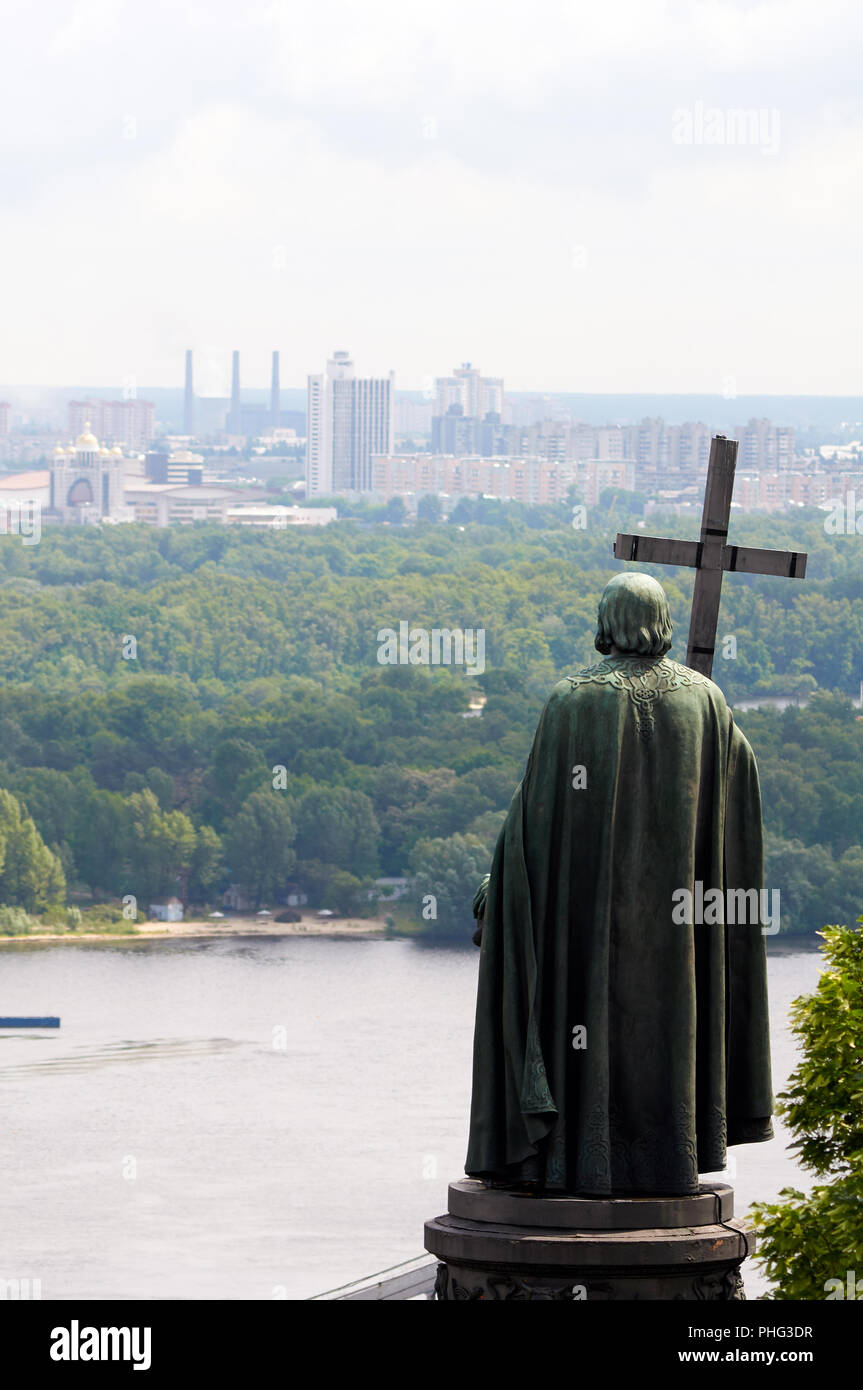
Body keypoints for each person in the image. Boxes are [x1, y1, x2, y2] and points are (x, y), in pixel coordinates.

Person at [465, 572, 773, 1195]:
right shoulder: (706, 702)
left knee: (581, 1023)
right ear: (660, 623)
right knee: (669, 1029)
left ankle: (574, 1158)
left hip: (588, 928)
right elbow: (737, 788)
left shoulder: (572, 701)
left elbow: (535, 821)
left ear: (607, 622)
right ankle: (669, 1159)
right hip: (681, 932)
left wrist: (502, 887)